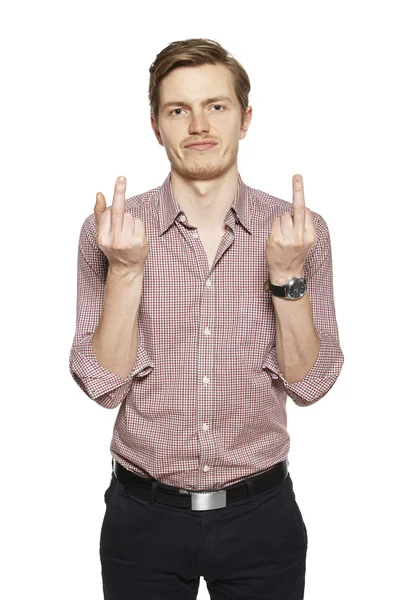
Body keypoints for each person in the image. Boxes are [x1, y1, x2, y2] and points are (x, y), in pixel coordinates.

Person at [69, 38, 344, 600]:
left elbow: (311, 384)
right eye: (179, 110)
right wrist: (125, 271)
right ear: (156, 125)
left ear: (245, 118)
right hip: (142, 519)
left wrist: (286, 276)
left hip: (261, 517)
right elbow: (101, 387)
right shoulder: (113, 232)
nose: (199, 124)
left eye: (216, 106)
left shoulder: (298, 231)